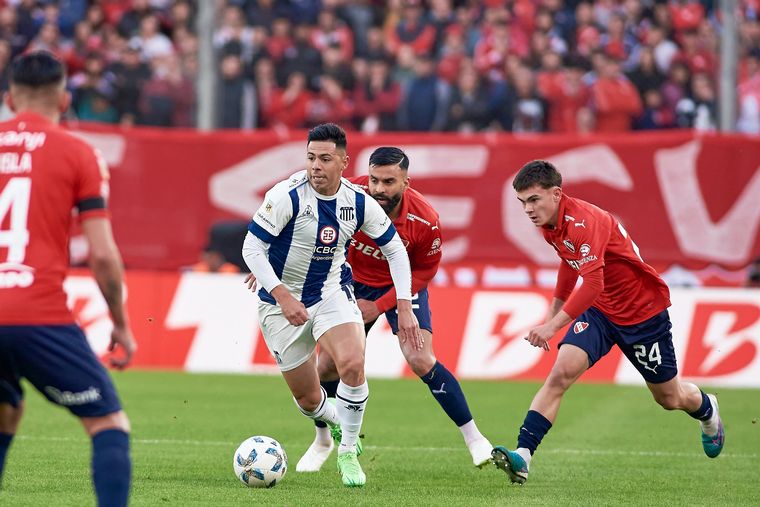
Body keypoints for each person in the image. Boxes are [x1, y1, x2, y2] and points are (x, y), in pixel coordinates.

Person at [491, 160, 725, 484]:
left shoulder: (585, 221)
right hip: (601, 312)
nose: (528, 210)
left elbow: (592, 283)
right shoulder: (550, 225)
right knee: (560, 375)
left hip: (642, 313)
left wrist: (552, 326)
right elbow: (569, 264)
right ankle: (523, 456)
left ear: (556, 194)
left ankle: (707, 409)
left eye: (534, 200)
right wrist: (552, 314)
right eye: (523, 203)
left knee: (669, 398)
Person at [291, 146, 494, 472]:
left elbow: (426, 272)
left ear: (406, 182)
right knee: (326, 366)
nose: (380, 189)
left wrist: (384, 304)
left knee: (420, 358)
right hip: (349, 283)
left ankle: (474, 439)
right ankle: (323, 440)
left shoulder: (424, 220)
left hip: (399, 288)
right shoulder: (349, 193)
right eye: (374, 180)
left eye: (389, 182)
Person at [241, 124, 421, 487]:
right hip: (280, 305)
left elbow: (395, 250)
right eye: (310, 158)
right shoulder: (287, 196)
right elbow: (251, 248)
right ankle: (336, 423)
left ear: (344, 162)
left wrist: (404, 304)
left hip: (330, 292)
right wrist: (281, 292)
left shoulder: (357, 201)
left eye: (325, 159)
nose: (315, 167)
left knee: (352, 364)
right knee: (308, 399)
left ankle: (349, 452)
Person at [0, 51, 134, 506]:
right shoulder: (78, 153)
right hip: (36, 313)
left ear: (9, 97)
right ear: (64, 97)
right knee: (107, 424)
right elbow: (101, 254)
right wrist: (120, 322)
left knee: (6, 411)